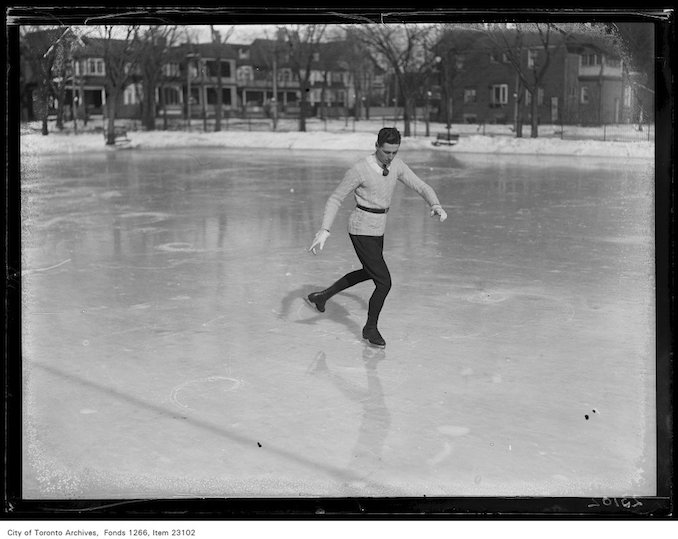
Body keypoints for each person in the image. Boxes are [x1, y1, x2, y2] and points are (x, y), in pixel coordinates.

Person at [307, 127, 447, 348]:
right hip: (360, 227)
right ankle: (370, 328)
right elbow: (335, 198)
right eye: (386, 152)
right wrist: (324, 229)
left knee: (368, 272)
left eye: (394, 152)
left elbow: (420, 185)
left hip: (378, 228)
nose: (390, 157)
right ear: (377, 147)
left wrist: (435, 203)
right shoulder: (359, 170)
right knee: (384, 282)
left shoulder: (396, 165)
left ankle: (322, 296)